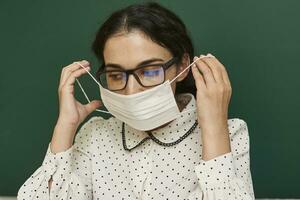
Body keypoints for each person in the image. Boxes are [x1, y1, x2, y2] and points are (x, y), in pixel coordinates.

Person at [18, 2, 255, 199]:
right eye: (116, 75)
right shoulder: (95, 135)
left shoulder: (230, 133)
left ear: (183, 66)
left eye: (149, 71)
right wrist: (65, 127)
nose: (131, 91)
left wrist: (214, 129)